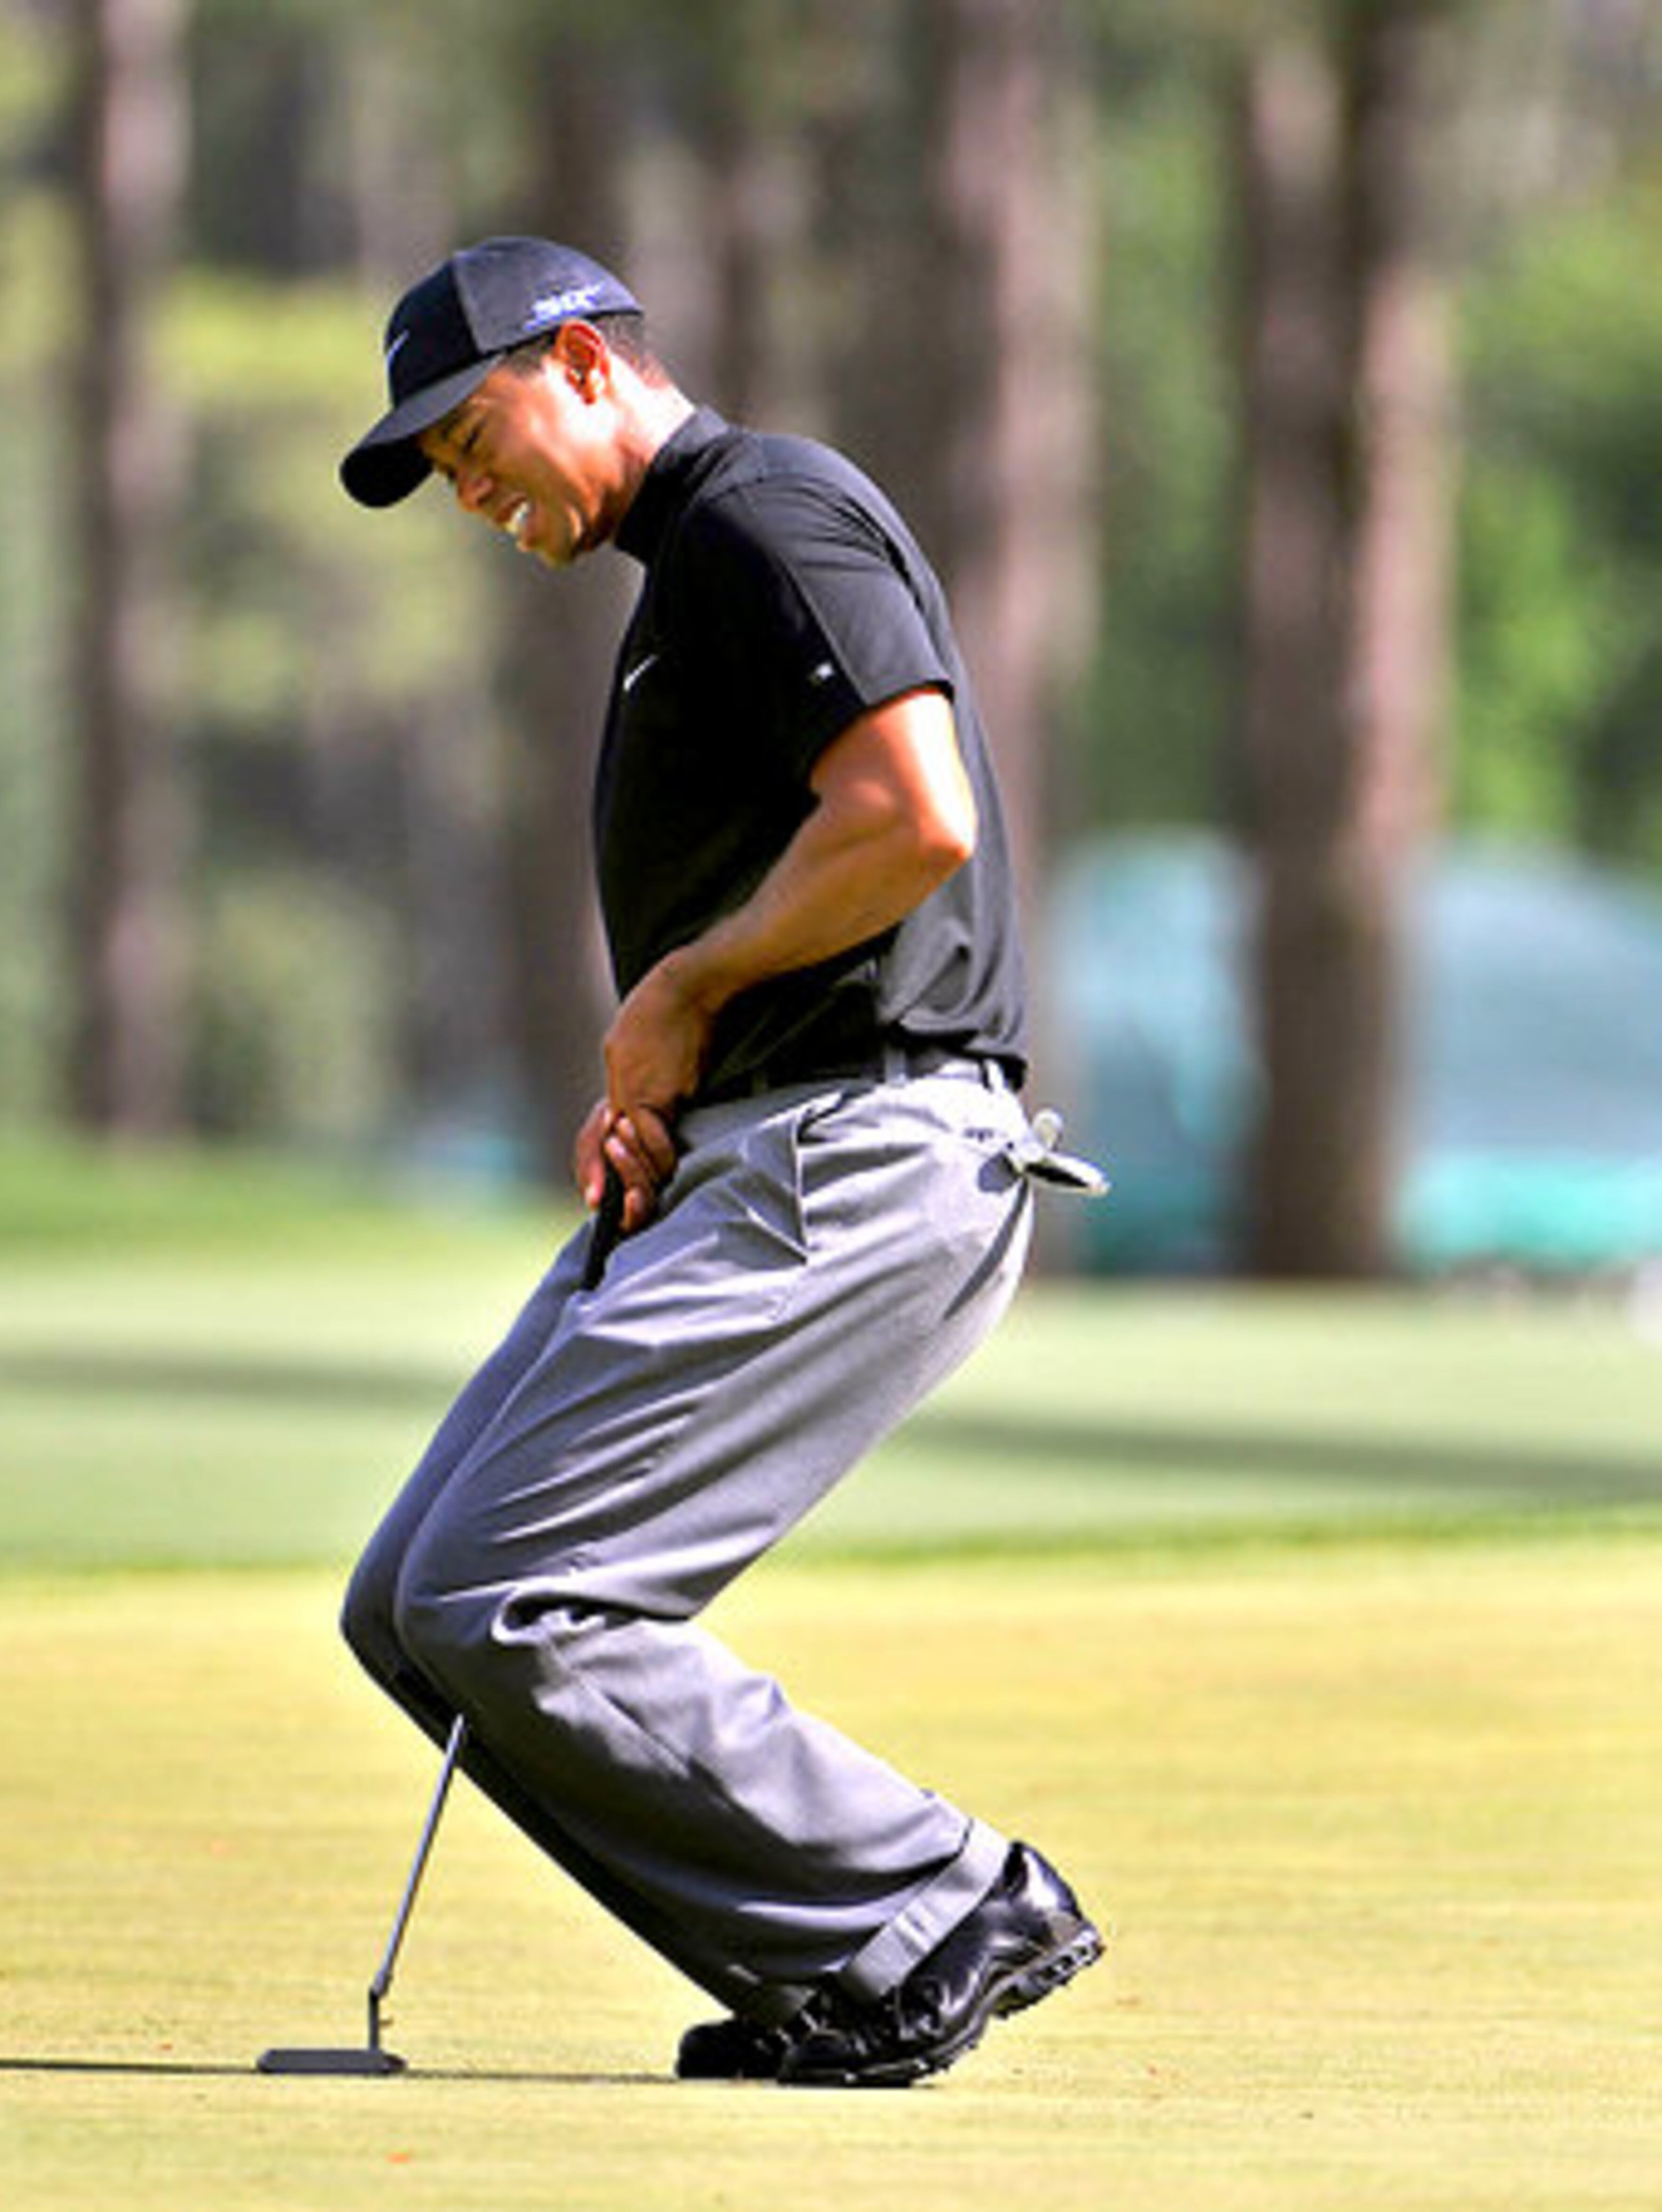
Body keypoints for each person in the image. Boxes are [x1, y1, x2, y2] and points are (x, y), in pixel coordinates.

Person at [337, 235, 1104, 2087]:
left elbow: (912, 817)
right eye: (433, 465)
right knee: (407, 1610)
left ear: (588, 360)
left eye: (471, 427)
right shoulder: (687, 577)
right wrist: (674, 1060)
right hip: (758, 1144)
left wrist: (684, 987)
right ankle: (836, 1973)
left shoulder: (765, 516)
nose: (465, 481)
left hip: (865, 1152)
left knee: (508, 1594)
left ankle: (929, 1902)